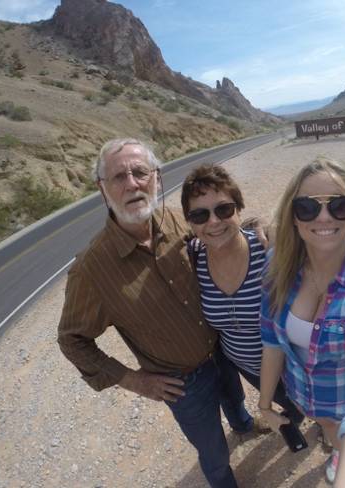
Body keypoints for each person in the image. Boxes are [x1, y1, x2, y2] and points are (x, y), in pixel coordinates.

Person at [57, 138, 252, 488]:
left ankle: (244, 425)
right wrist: (133, 380)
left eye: (140, 172)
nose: (132, 183)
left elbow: (225, 236)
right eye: (118, 177)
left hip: (222, 352)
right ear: (103, 190)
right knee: (213, 451)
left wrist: (260, 227)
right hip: (182, 384)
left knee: (236, 400)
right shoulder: (91, 269)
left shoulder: (180, 222)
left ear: (156, 179)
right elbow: (73, 340)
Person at [258, 156, 345, 488]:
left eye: (339, 206)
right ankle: (339, 450)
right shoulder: (278, 267)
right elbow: (271, 342)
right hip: (307, 399)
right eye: (307, 208)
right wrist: (264, 405)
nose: (324, 217)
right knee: (331, 433)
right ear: (293, 218)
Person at [180, 164, 304, 425]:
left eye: (223, 209)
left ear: (238, 208)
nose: (213, 222)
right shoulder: (192, 259)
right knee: (287, 403)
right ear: (190, 222)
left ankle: (325, 428)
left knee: (311, 403)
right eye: (200, 215)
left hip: (295, 365)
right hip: (247, 366)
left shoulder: (269, 249)